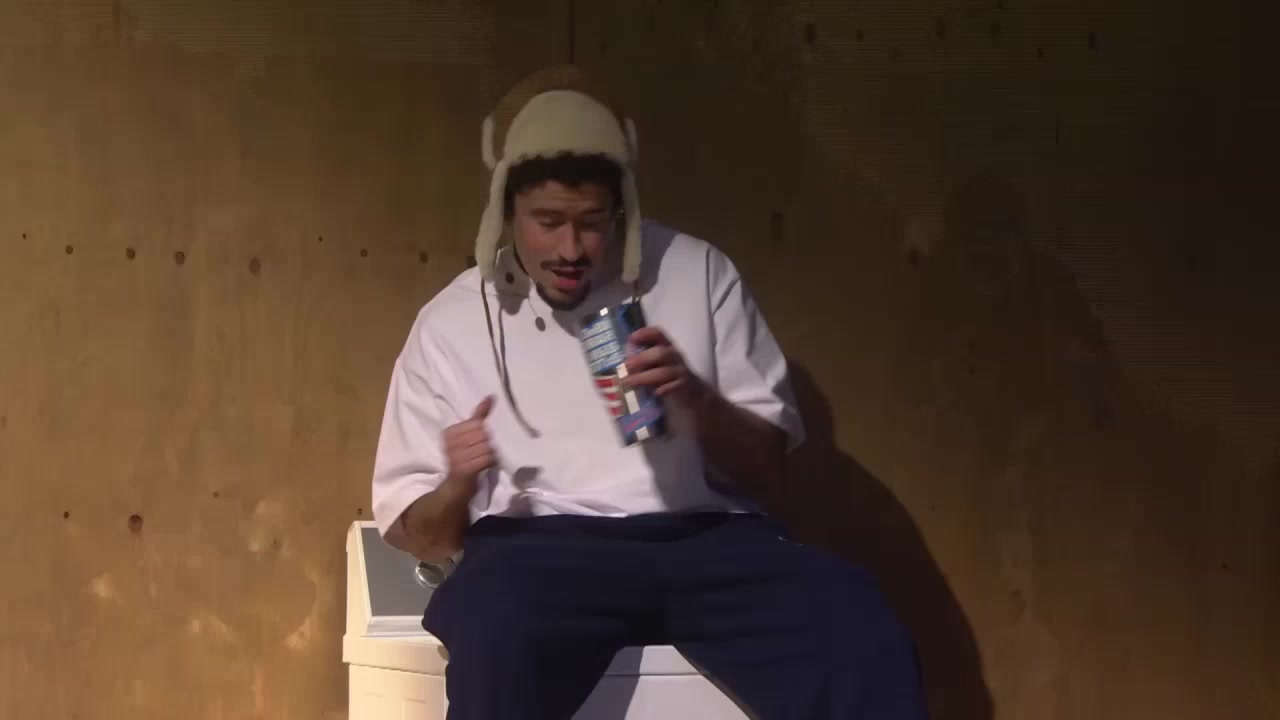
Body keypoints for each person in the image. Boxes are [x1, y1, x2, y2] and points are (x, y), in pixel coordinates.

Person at [371, 66, 928, 719]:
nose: (571, 248)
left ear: (623, 210)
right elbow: (420, 535)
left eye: (592, 223)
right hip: (538, 555)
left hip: (707, 542)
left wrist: (697, 401)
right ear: (505, 211)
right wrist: (459, 484)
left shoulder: (699, 271)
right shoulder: (451, 321)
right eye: (547, 221)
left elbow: (774, 472)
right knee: (491, 623)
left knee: (854, 621)